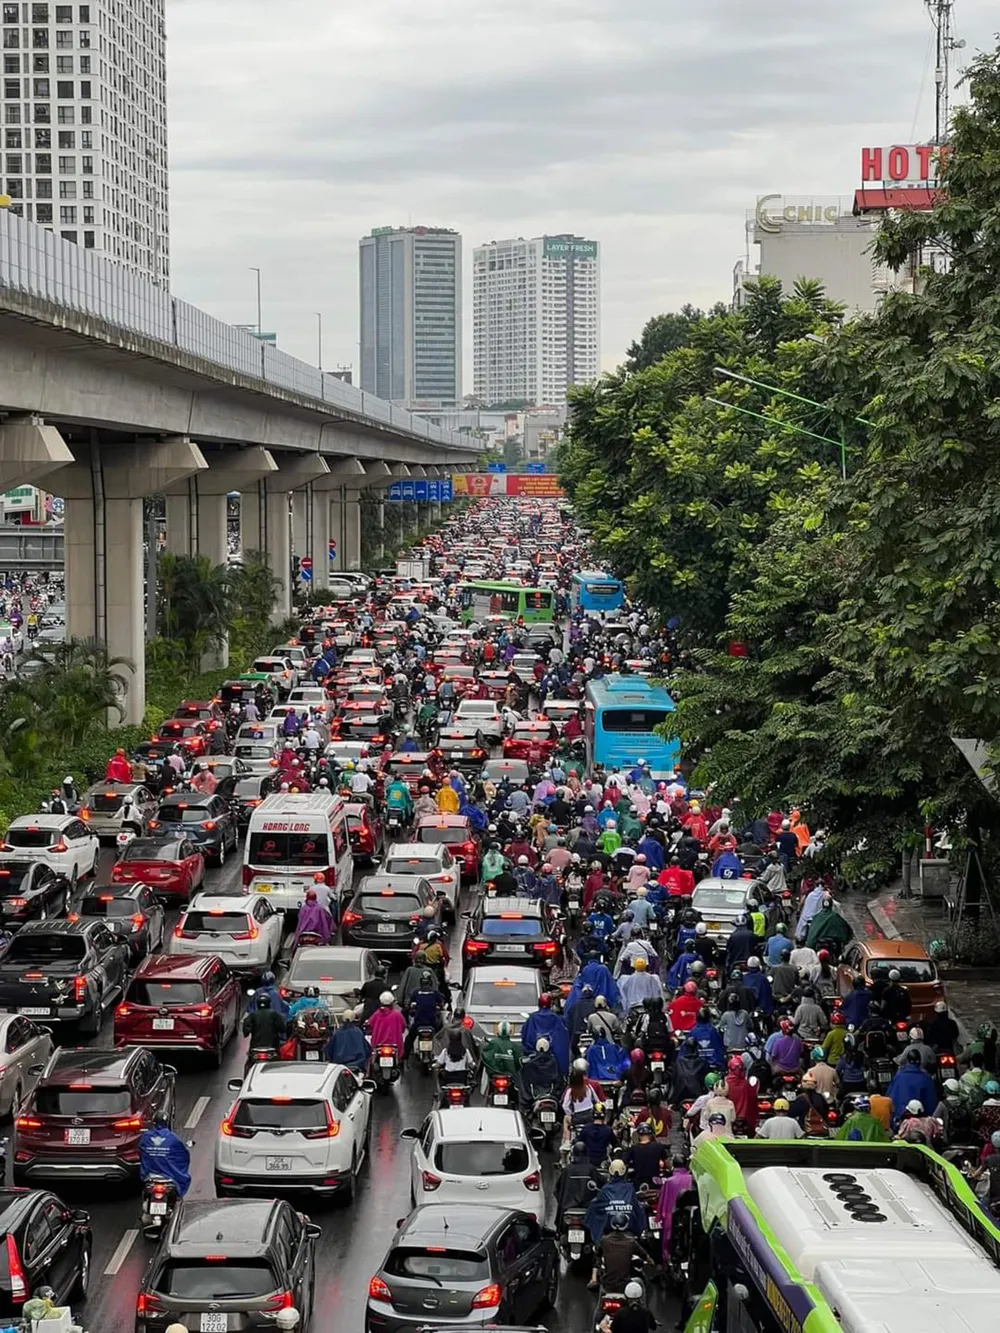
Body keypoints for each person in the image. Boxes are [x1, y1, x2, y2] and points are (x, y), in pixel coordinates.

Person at [586, 1157, 645, 1243]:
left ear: (610, 1172)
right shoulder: (629, 1188)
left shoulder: (606, 1189)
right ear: (624, 1172)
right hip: (620, 1230)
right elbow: (636, 1207)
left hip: (620, 1230)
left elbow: (595, 1206)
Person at [139, 1110, 191, 1197]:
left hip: (149, 1175)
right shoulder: (172, 1138)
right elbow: (183, 1156)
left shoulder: (146, 1137)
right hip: (169, 1176)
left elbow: (141, 1152)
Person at [887, 1048, 938, 1128]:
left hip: (899, 1120)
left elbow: (891, 1098)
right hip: (922, 1124)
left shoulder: (899, 1077)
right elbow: (931, 1103)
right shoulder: (926, 1078)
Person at [522, 992, 570, 1075]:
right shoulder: (556, 1019)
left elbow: (526, 1037)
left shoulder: (532, 1018)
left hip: (535, 1057)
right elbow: (562, 1041)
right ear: (550, 1004)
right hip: (553, 1060)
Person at [403, 971, 447, 1059]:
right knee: (442, 1034)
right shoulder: (435, 993)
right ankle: (441, 1055)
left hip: (418, 1023)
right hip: (432, 1024)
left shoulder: (416, 992)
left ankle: (404, 1058)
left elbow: (408, 1004)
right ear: (430, 982)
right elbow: (442, 1003)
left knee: (409, 1039)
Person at [519, 1036, 562, 1110]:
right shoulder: (554, 1062)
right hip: (550, 1094)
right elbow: (558, 1080)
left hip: (533, 1095)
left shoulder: (530, 1064)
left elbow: (524, 1082)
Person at [326, 1007, 371, 1073]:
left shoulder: (337, 1033)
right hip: (357, 1065)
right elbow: (367, 1050)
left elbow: (328, 1050)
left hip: (339, 1067)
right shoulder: (358, 1032)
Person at [969, 1130, 1000, 1221]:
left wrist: (972, 1176)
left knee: (982, 1207)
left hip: (994, 1196)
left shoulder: (989, 1159)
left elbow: (977, 1174)